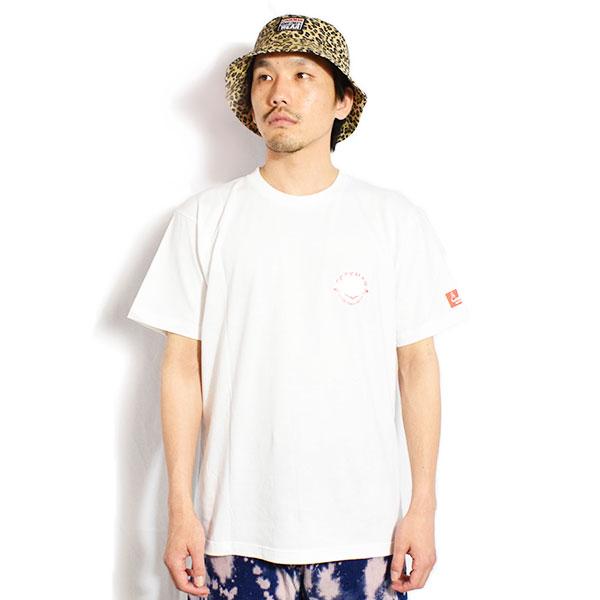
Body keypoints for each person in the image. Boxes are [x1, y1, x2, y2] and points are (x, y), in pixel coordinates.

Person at [126, 13, 469, 600]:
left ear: (343, 101)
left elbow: (418, 367)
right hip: (234, 532)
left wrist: (424, 507)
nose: (278, 92)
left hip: (366, 535)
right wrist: (179, 508)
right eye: (264, 77)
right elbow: (181, 368)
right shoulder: (204, 219)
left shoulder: (394, 220)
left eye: (302, 75)